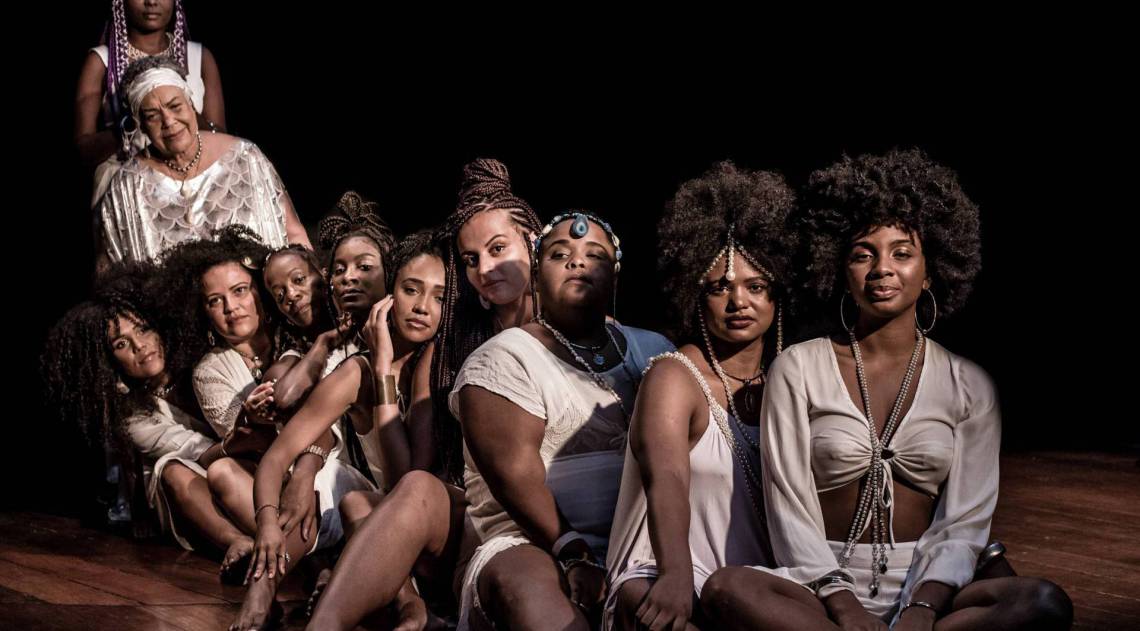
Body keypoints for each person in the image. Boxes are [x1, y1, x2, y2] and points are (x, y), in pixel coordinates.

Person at [605, 162, 799, 630]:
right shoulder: (674, 376)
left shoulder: (790, 379)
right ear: (696, 296)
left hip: (755, 585)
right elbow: (667, 475)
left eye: (756, 286)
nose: (738, 302)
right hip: (667, 573)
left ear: (778, 296)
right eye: (719, 288)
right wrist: (674, 575)